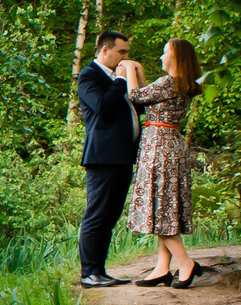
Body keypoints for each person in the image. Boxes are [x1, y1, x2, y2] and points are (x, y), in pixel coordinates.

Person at [125, 37, 206, 288]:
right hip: (169, 145)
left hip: (160, 147)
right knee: (165, 206)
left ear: (176, 58)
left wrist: (129, 68)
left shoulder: (169, 82)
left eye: (164, 53)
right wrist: (137, 70)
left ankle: (185, 263)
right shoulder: (179, 84)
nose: (161, 57)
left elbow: (135, 96)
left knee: (161, 209)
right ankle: (162, 268)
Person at [75, 31, 137, 288]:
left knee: (110, 216)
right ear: (104, 51)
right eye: (121, 52)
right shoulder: (89, 75)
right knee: (96, 215)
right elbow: (102, 106)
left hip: (123, 156)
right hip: (102, 157)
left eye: (126, 53)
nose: (125, 57)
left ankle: (100, 271)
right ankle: (89, 272)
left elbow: (138, 106)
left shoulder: (114, 78)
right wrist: (121, 80)